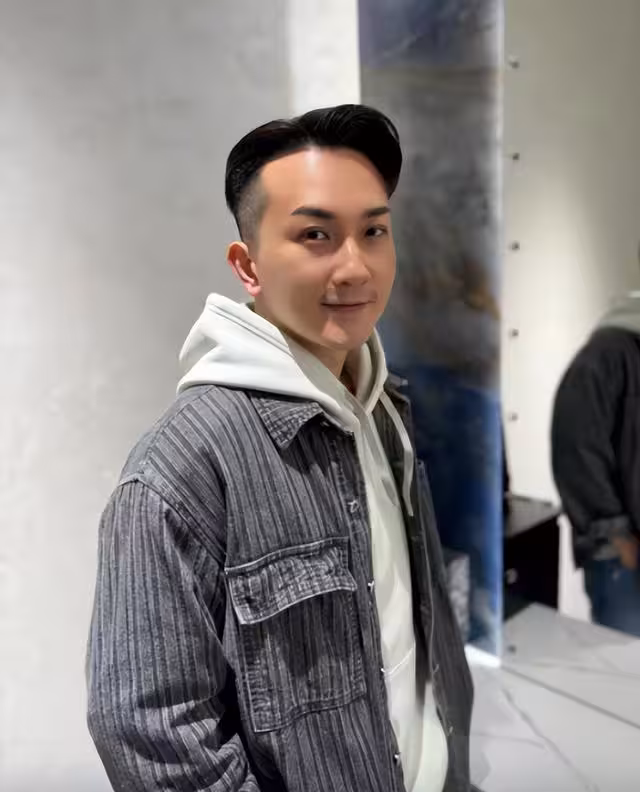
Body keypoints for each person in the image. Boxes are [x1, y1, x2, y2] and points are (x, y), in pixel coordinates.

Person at [86, 104, 474, 792]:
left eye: (374, 231)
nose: (355, 267)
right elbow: (152, 735)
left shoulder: (384, 407)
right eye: (316, 234)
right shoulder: (180, 471)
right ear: (248, 265)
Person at [552, 289, 640, 636]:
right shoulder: (608, 354)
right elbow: (577, 448)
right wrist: (616, 537)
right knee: (624, 660)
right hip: (622, 558)